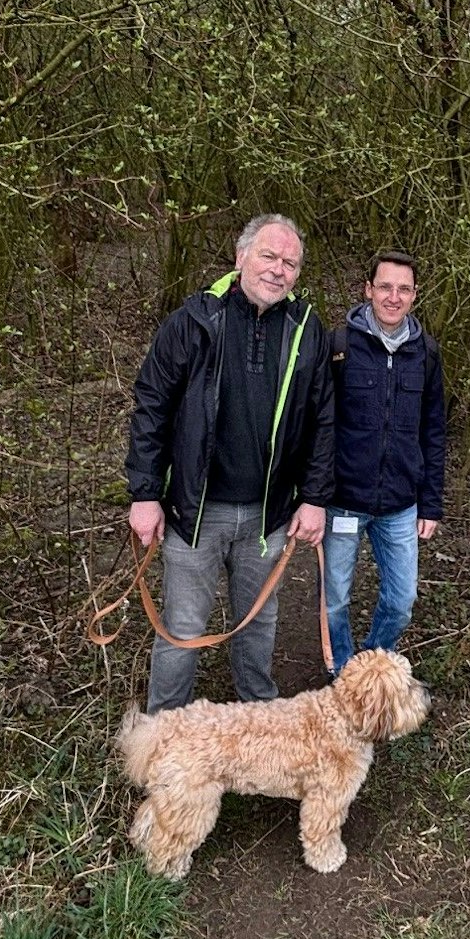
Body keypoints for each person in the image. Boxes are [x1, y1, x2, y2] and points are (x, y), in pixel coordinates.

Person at [125, 213, 334, 713]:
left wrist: (316, 498)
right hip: (196, 513)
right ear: (241, 257)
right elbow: (152, 404)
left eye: (290, 263)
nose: (278, 270)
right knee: (182, 629)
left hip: (269, 516)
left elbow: (323, 419)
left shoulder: (307, 331)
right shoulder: (195, 320)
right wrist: (145, 492)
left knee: (259, 622)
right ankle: (163, 734)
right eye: (269, 255)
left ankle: (259, 719)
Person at [322, 251, 447, 675]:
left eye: (404, 289)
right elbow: (319, 425)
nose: (394, 297)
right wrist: (313, 494)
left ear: (414, 295)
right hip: (343, 500)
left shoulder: (426, 353)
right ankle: (341, 671)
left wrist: (430, 503)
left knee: (401, 600)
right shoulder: (338, 346)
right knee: (334, 598)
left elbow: (433, 431)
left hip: (401, 503)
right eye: (385, 287)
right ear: (369, 290)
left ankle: (370, 661)